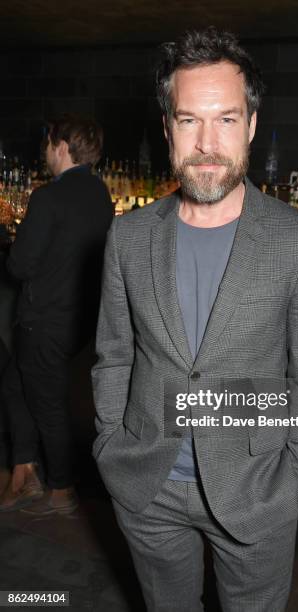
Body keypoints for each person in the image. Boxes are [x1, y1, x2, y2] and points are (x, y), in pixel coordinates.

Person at [92, 27, 298, 612]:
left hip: (256, 494)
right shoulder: (128, 236)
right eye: (188, 121)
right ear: (167, 129)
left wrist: (295, 479)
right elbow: (114, 355)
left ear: (251, 126)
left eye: (226, 119)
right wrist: (109, 445)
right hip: (147, 487)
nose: (207, 142)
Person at [0, 114, 113, 514]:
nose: (46, 152)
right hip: (78, 321)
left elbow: (20, 265)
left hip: (44, 320)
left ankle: (62, 489)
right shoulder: (100, 194)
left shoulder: (48, 197)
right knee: (16, 385)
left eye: (49, 144)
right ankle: (23, 472)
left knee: (46, 402)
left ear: (62, 146)